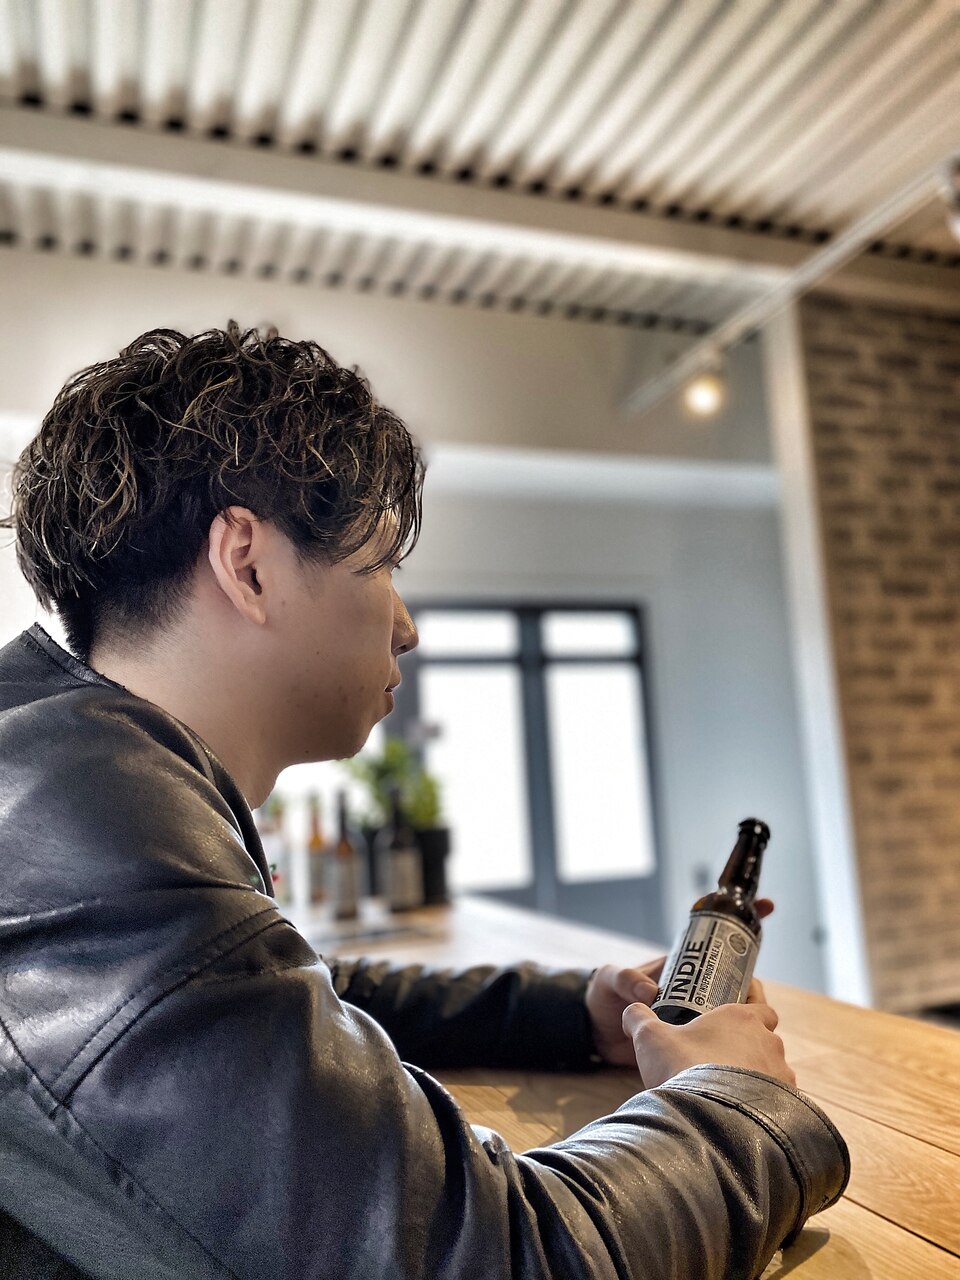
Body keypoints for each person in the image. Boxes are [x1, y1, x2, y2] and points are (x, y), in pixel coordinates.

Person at [0, 324, 848, 1280]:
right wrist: (732, 1101)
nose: (406, 626)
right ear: (247, 562)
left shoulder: (63, 784)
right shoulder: (90, 840)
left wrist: (573, 1014)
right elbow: (499, 1260)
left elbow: (286, 997)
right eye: (381, 564)